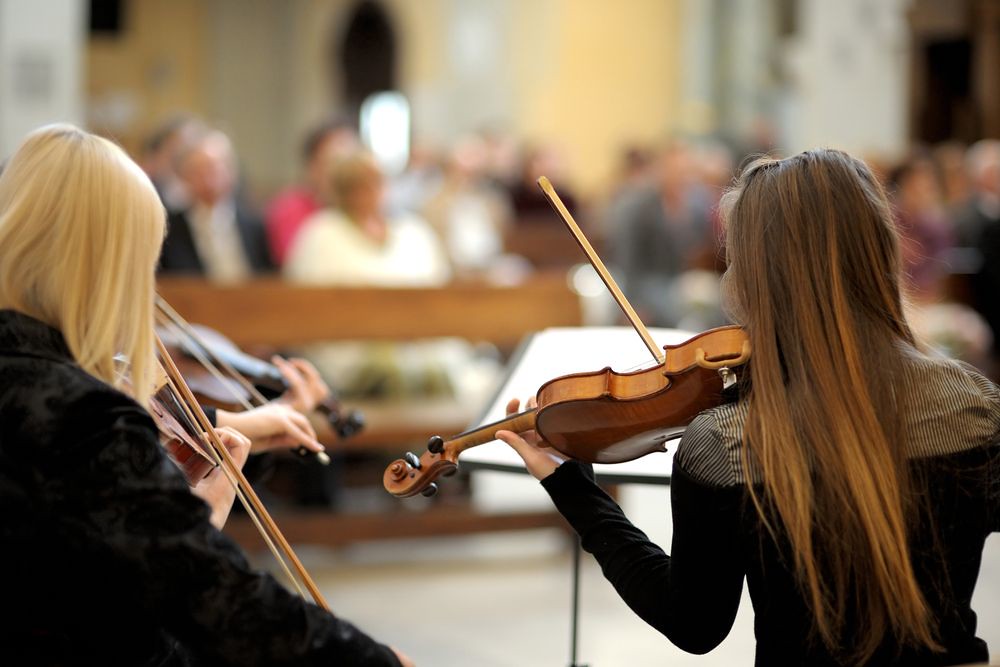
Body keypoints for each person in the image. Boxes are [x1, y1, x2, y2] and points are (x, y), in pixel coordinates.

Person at [498, 149, 1000, 665]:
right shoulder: (974, 407)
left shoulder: (727, 444)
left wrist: (574, 490)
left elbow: (694, 624)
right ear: (879, 252)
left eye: (733, 258)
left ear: (758, 279)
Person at [0, 124, 412, 666]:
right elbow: (224, 604)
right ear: (100, 267)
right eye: (140, 264)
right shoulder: (83, 417)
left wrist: (188, 511)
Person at [159, 128, 274, 281]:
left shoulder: (255, 225)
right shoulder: (168, 231)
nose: (209, 179)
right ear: (183, 176)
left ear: (231, 170)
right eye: (198, 171)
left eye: (214, 168)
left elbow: (270, 278)